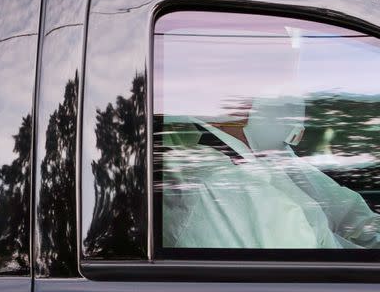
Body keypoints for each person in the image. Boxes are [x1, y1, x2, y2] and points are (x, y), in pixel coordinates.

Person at [161, 96, 380, 249]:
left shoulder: (270, 155)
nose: (295, 95)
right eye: (278, 77)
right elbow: (327, 279)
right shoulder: (216, 185)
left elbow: (351, 217)